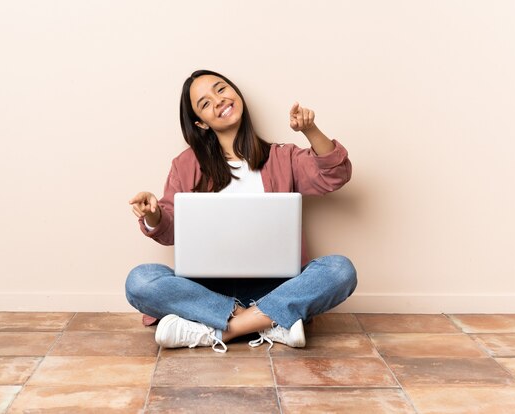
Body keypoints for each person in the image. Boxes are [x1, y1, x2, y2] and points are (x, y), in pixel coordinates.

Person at [126, 69, 357, 353]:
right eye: (205, 103)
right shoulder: (185, 165)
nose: (218, 101)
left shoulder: (282, 157)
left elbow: (336, 175)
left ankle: (217, 330)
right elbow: (171, 230)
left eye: (220, 89)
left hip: (277, 286)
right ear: (201, 123)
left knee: (340, 269)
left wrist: (310, 130)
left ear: (235, 93)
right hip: (207, 291)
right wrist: (153, 215)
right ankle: (271, 322)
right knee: (139, 280)